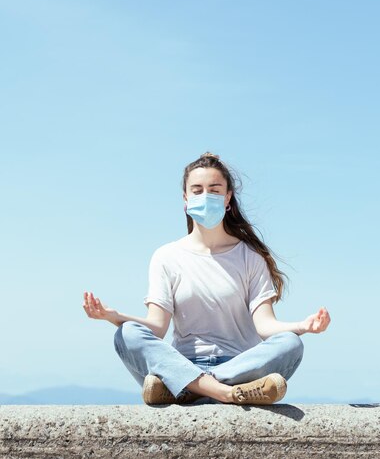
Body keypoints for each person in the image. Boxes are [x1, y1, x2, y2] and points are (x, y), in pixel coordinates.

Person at [83, 152, 331, 405]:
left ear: (227, 198)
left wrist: (303, 326)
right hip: (183, 363)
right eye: (197, 190)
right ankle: (224, 392)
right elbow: (156, 327)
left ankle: (190, 388)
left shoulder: (250, 257)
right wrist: (112, 317)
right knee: (127, 334)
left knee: (291, 344)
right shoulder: (166, 256)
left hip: (239, 366)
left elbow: (265, 326)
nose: (205, 196)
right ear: (185, 198)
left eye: (214, 190)